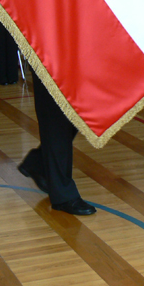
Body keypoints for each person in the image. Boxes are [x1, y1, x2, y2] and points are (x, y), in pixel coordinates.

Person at [17, 71, 97, 216]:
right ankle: (63, 195)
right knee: (55, 109)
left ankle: (40, 162)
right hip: (49, 50)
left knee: (83, 104)